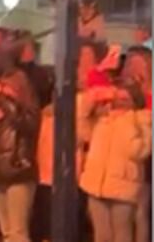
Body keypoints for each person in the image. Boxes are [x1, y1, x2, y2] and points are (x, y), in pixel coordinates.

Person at [79, 82, 151, 242]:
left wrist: (127, 119)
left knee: (122, 237)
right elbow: (82, 128)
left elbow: (137, 151)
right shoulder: (102, 120)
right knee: (102, 237)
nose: (119, 103)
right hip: (96, 186)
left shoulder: (142, 122)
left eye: (124, 99)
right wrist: (98, 95)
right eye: (116, 99)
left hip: (123, 190)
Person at [0, 72, 40, 242]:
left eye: (5, 87)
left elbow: (26, 126)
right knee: (6, 232)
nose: (1, 91)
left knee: (18, 233)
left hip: (18, 174)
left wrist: (6, 101)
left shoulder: (30, 110)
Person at [121, 47, 153, 242]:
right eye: (131, 63)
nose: (134, 68)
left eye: (139, 63)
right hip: (125, 156)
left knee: (141, 211)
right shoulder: (122, 91)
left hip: (146, 155)